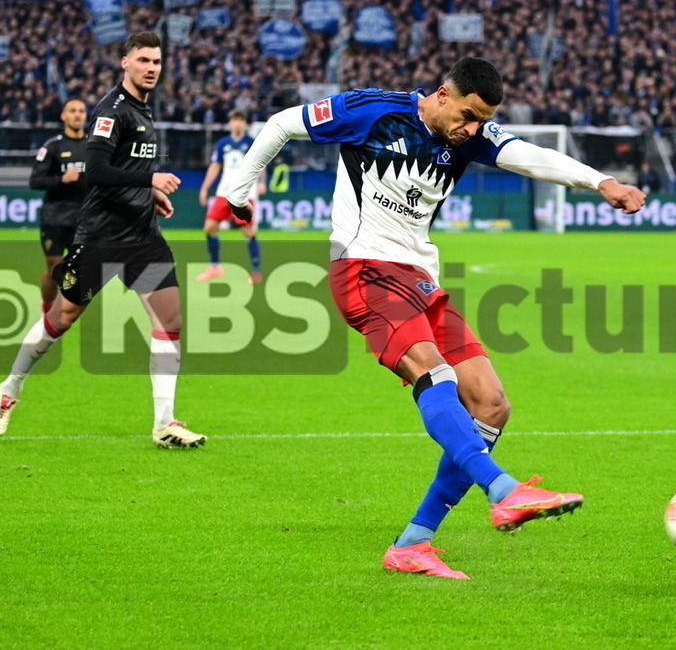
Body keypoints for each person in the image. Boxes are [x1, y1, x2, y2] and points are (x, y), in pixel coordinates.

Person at [225, 57, 645, 579]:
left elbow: (527, 155)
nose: (473, 129)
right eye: (468, 115)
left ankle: (412, 544)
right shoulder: (371, 111)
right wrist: (236, 194)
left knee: (490, 404)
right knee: (434, 371)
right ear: (443, 94)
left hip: (420, 280)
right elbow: (282, 124)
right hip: (364, 268)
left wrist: (601, 182)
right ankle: (505, 490)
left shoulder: (469, 136)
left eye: (482, 120)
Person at [0, 31, 206, 449]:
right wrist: (150, 178)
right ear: (125, 62)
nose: (151, 68)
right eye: (143, 60)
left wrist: (150, 193)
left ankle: (164, 423)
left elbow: (124, 168)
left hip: (142, 236)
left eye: (157, 62)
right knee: (62, 319)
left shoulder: (145, 110)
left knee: (170, 321)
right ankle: (10, 386)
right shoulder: (112, 111)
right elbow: (96, 169)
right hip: (102, 237)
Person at [28, 97, 89, 313]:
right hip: (55, 217)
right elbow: (35, 180)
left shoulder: (95, 147)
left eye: (81, 111)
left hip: (83, 219)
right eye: (72, 111)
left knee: (78, 272)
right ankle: (47, 310)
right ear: (63, 116)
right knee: (55, 269)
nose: (77, 115)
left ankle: (66, 312)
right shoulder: (52, 146)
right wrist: (61, 179)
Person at [196, 108, 267, 284]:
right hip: (223, 192)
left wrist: (261, 182)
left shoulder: (251, 142)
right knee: (209, 227)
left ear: (245, 123)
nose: (237, 123)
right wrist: (205, 188)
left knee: (248, 231)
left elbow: (262, 162)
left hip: (245, 193)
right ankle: (215, 267)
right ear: (230, 123)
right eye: (234, 120)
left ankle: (256, 272)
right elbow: (215, 166)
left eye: (240, 120)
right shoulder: (223, 143)